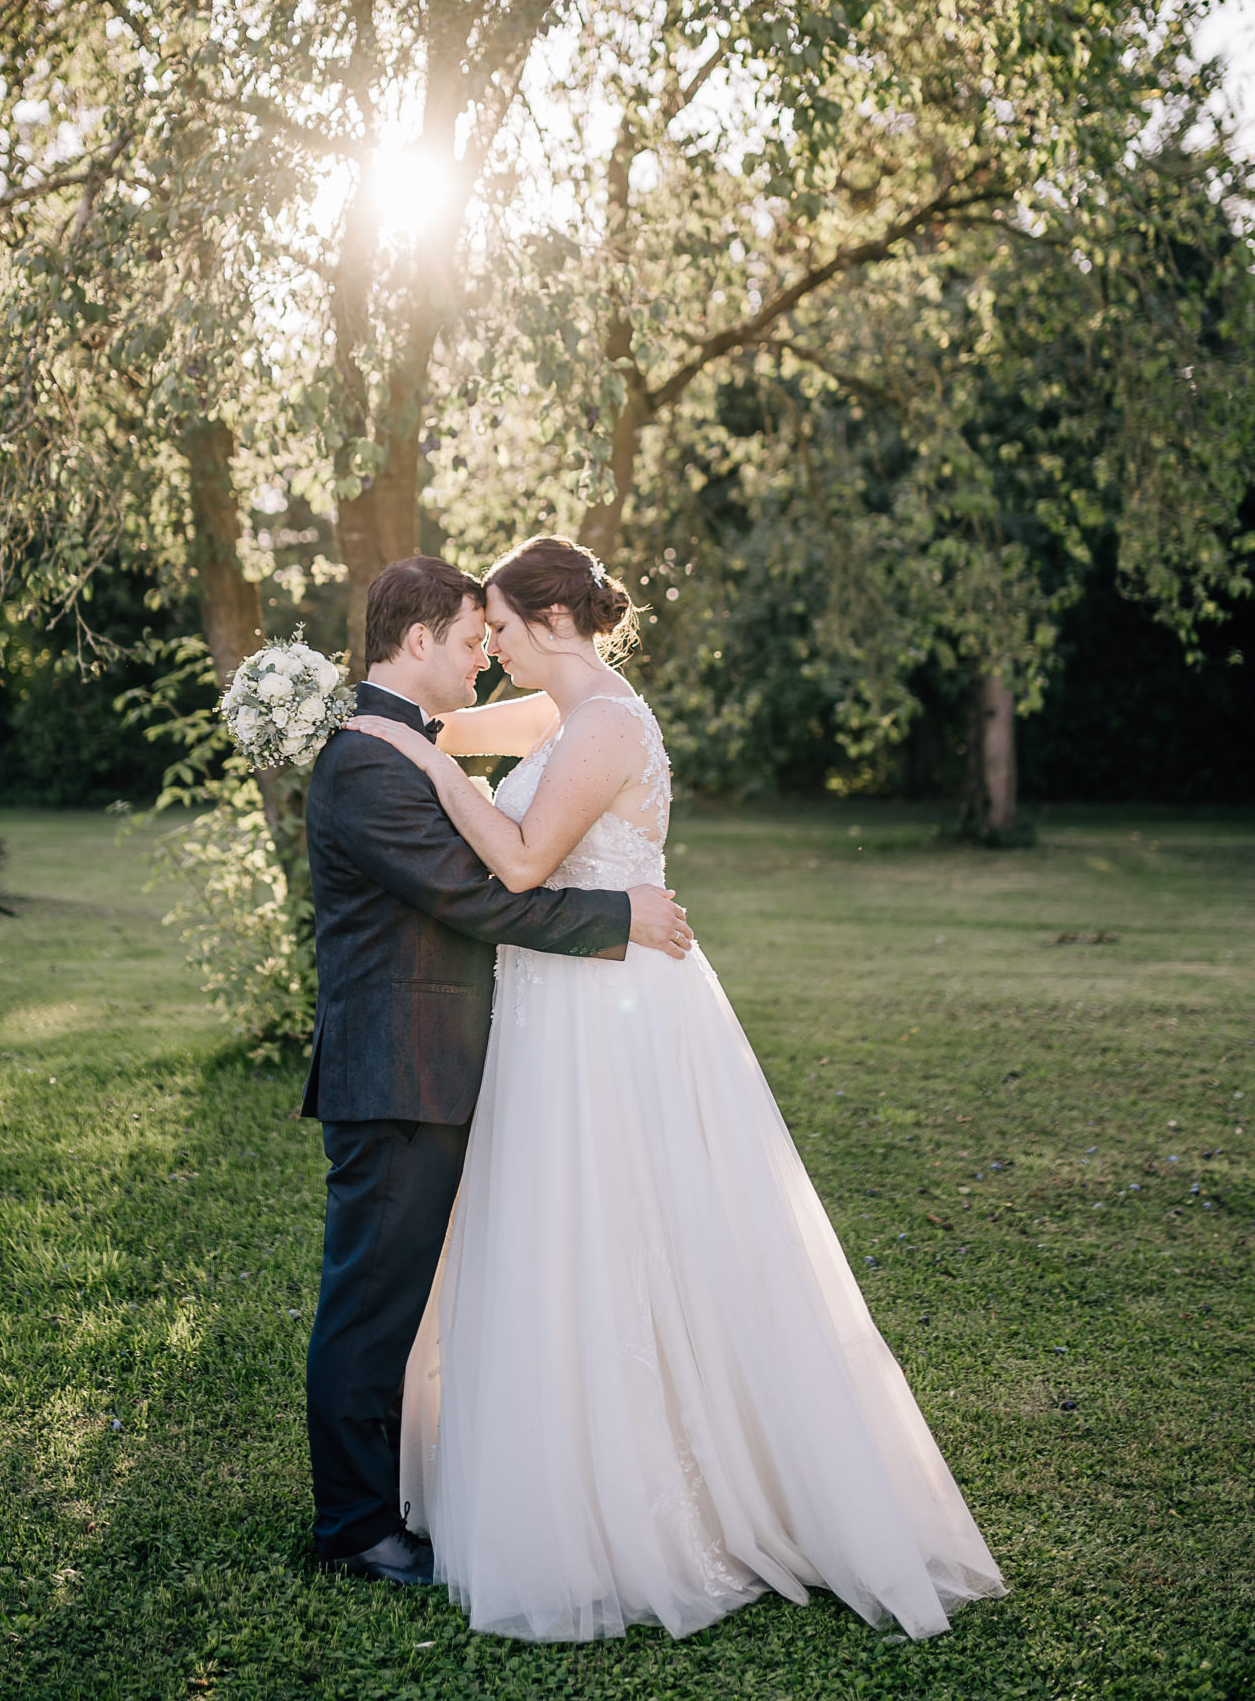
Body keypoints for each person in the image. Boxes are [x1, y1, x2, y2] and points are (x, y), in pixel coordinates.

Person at [344, 535, 1006, 1643]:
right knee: (567, 1236)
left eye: (497, 626)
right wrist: (377, 717)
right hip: (561, 1002)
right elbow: (446, 721)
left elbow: (514, 859)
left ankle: (659, 1496)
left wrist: (425, 770)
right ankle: (568, 1463)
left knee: (626, 1229)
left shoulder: (602, 724)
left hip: (609, 1015)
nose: (490, 648)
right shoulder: (565, 707)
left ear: (551, 618)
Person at [301, 554, 695, 1588]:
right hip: (400, 1065)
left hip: (446, 1057)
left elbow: (538, 741)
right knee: (372, 1297)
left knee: (406, 1294)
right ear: (420, 639)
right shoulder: (367, 763)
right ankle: (354, 1526)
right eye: (473, 640)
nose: (486, 655)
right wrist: (620, 915)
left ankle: (396, 1493)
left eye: (497, 633)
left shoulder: (406, 741)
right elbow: (481, 897)